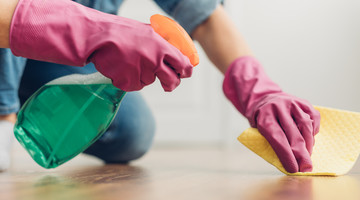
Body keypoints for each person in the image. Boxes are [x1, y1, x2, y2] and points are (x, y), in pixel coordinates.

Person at [0, 0, 320, 173]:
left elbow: (204, 14)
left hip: (60, 51)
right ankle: (4, 118)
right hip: (10, 27)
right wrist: (87, 29)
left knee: (131, 133)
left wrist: (259, 90)